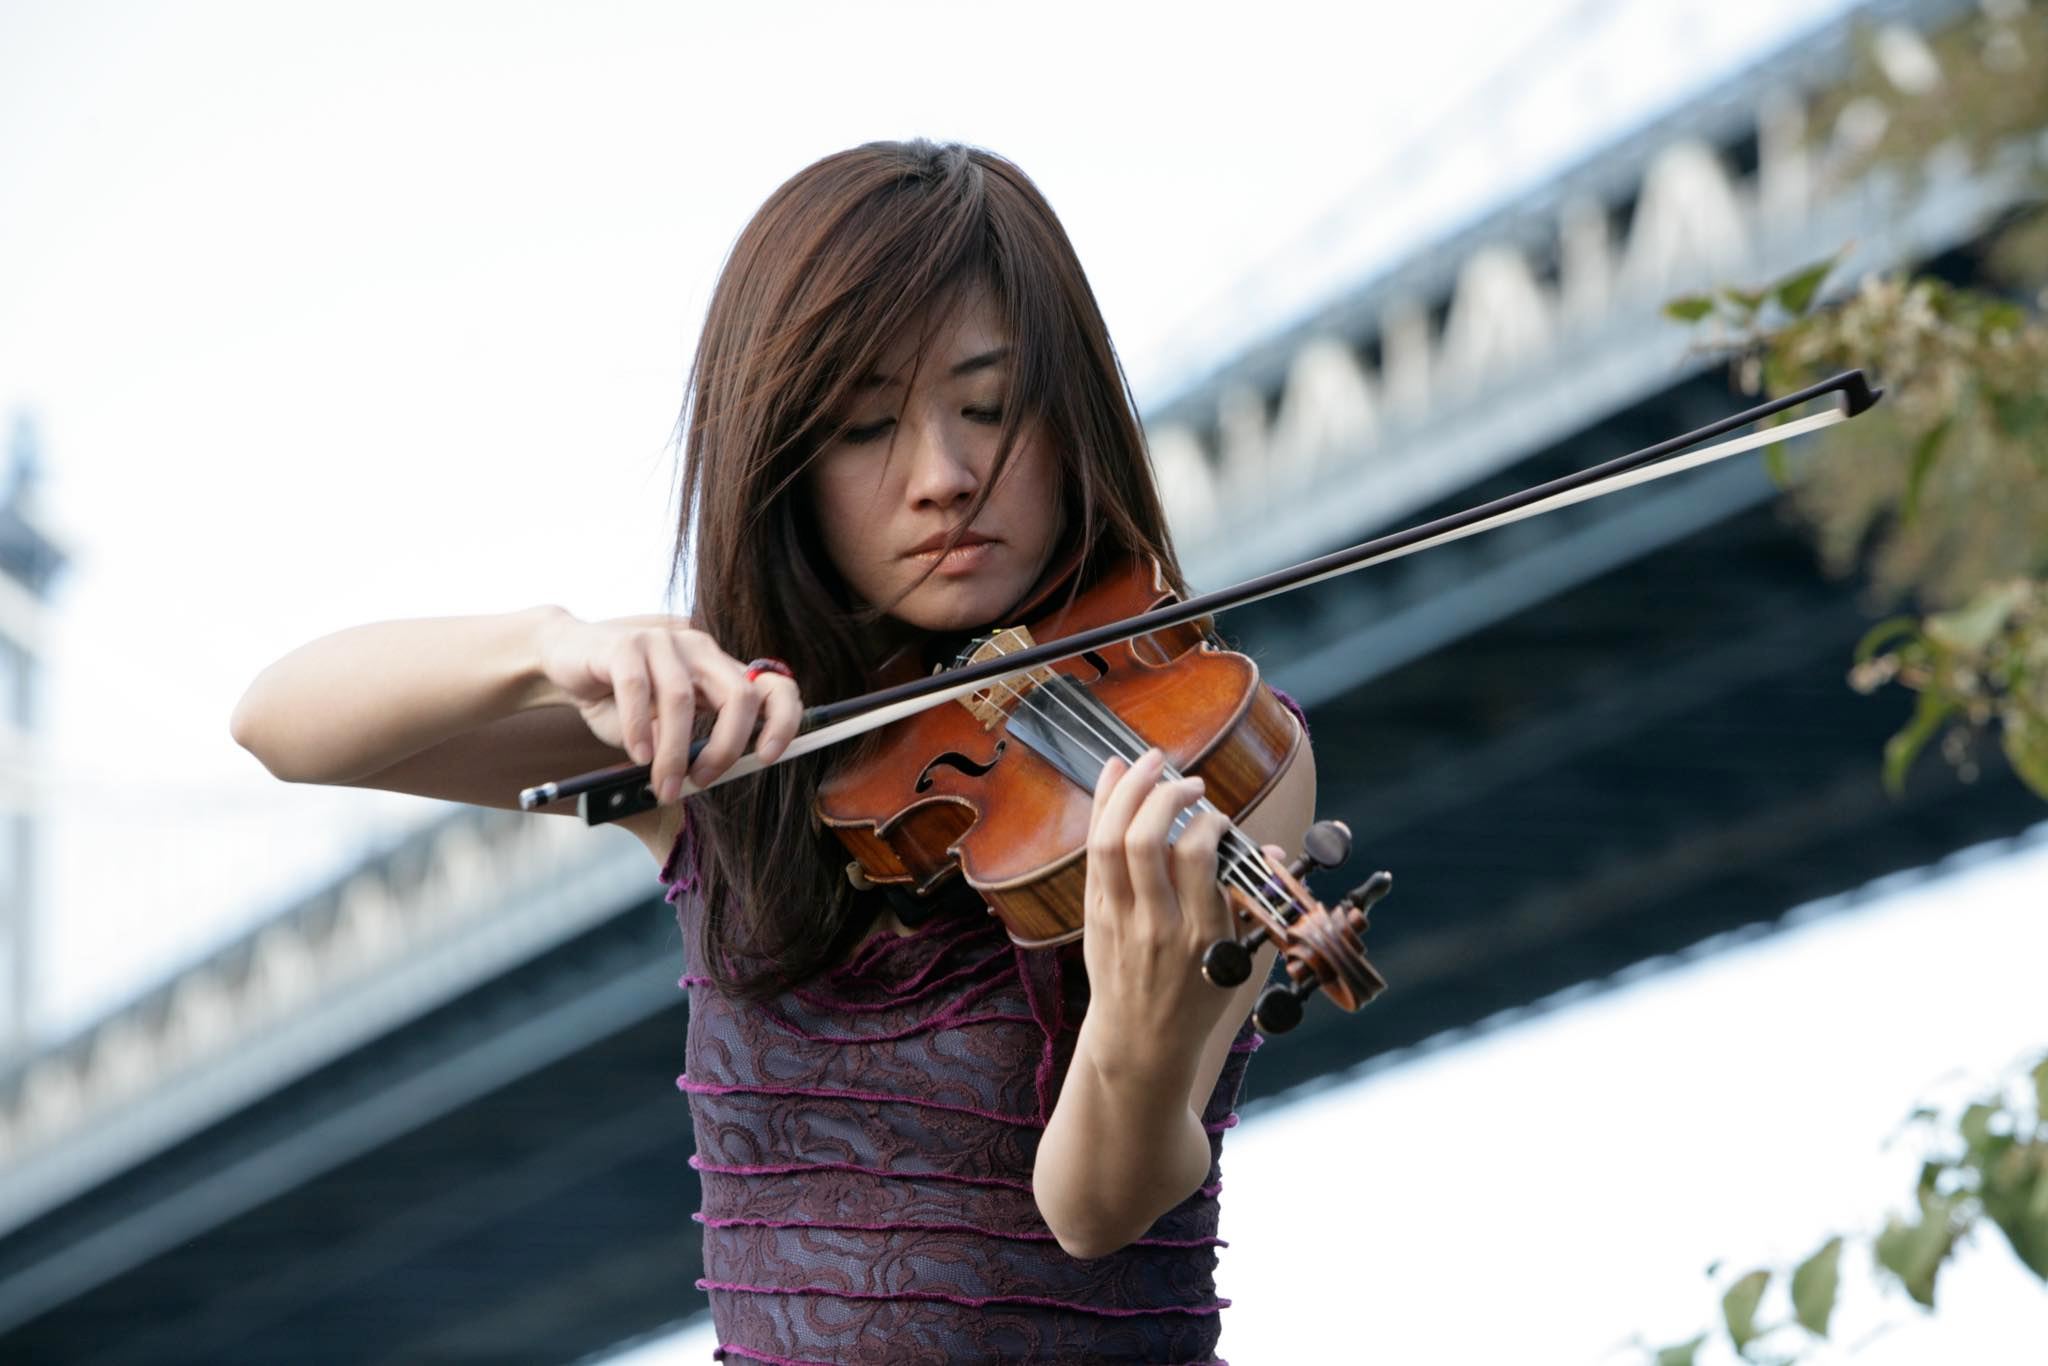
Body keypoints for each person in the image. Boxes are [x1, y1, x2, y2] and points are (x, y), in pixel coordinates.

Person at [230, 138, 1315, 1364]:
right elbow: (281, 720)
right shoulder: (725, 754)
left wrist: (1137, 1018)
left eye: (990, 407)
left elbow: (1096, 1207)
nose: (944, 479)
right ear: (782, 468)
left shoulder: (1214, 754)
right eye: (864, 428)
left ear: (1071, 417)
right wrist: (549, 648)